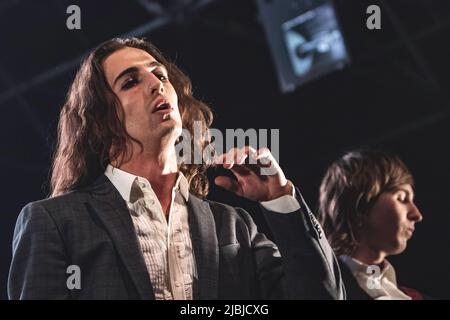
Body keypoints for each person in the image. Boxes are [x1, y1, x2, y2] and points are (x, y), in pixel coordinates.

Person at [8, 37, 344, 300]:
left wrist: (280, 200)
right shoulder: (53, 221)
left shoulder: (232, 225)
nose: (157, 85)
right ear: (99, 120)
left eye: (160, 74)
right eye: (130, 82)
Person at [318, 150, 424, 300]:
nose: (417, 215)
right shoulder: (315, 289)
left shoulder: (415, 296)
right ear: (360, 205)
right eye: (402, 198)